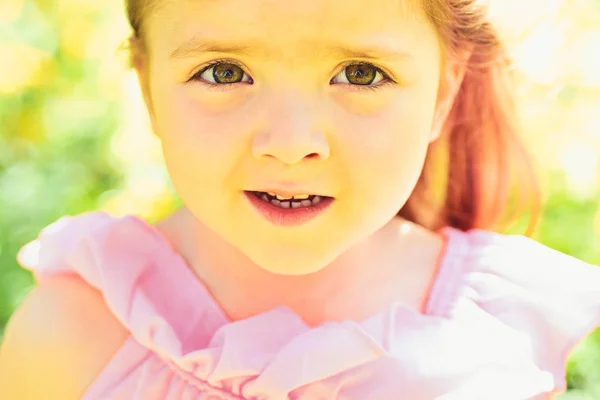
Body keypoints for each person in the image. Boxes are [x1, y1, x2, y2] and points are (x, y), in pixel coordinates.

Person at [1, 0, 599, 398]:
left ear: (443, 93)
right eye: (224, 73)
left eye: (361, 74)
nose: (290, 145)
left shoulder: (497, 333)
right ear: (147, 88)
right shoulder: (72, 337)